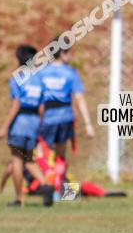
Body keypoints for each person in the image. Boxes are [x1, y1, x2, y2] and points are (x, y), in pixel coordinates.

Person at [0, 44, 53, 207]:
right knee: (29, 160)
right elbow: (42, 106)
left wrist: (4, 128)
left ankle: (19, 199)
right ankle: (45, 185)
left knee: (17, 161)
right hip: (34, 123)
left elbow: (16, 104)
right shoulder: (39, 79)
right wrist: (40, 126)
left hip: (20, 124)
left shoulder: (17, 78)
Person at [36, 44, 95, 195]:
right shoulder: (70, 73)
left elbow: (37, 97)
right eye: (68, 52)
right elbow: (79, 98)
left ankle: (49, 176)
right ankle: (57, 192)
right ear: (62, 53)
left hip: (48, 117)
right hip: (66, 116)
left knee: (41, 154)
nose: (69, 55)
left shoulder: (42, 73)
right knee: (61, 155)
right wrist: (88, 124)